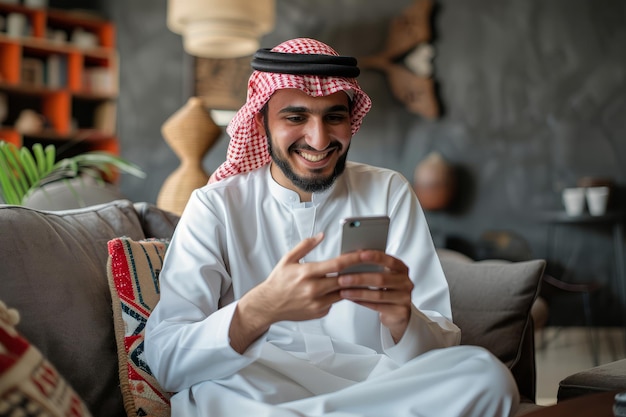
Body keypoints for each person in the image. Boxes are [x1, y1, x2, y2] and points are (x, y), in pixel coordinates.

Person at [145, 37, 519, 417]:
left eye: (334, 117)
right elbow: (166, 360)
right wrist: (258, 310)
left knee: (485, 376)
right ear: (261, 121)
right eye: (295, 117)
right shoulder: (215, 206)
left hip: (374, 385)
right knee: (212, 396)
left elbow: (440, 345)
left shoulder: (388, 190)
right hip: (259, 389)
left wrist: (403, 319)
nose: (319, 139)